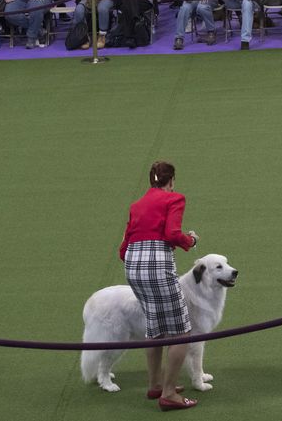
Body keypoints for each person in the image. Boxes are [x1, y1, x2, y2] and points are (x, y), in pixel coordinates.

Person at [119, 161, 200, 412]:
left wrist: (133, 260)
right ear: (171, 180)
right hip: (157, 265)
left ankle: (155, 384)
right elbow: (172, 233)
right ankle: (168, 394)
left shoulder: (136, 205)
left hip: (133, 265)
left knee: (154, 327)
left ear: (151, 180)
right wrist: (191, 240)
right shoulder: (174, 199)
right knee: (180, 333)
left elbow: (125, 244)